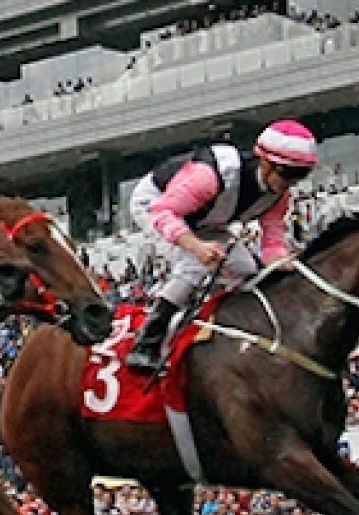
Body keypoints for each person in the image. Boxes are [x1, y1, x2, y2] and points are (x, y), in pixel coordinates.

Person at [124, 119, 318, 376]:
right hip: (156, 204)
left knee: (247, 268)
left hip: (207, 218)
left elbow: (272, 241)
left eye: (300, 175)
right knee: (194, 264)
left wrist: (281, 261)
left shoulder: (279, 195)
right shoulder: (210, 176)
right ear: (265, 162)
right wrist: (196, 246)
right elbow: (163, 212)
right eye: (287, 174)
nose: (290, 183)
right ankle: (147, 340)